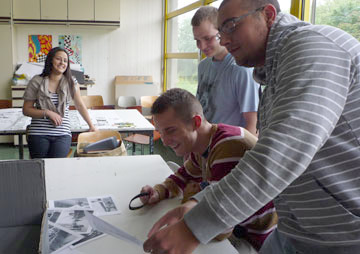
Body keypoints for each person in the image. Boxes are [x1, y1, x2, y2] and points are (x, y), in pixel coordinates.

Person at [143, 0, 360, 254]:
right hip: (296, 231)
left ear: (268, 15)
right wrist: (199, 205)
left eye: (231, 26)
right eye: (221, 32)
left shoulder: (314, 46)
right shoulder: (275, 72)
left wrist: (195, 225)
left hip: (343, 238)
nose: (223, 40)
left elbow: (284, 150)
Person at [140, 88, 277, 252]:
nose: (165, 142)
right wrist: (158, 192)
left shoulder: (228, 146)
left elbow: (219, 228)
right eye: (160, 133)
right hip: (237, 229)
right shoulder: (203, 145)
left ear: (196, 122)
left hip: (254, 240)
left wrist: (190, 198)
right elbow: (182, 177)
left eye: (170, 130)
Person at [192, 6, 259, 136]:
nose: (202, 46)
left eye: (207, 38)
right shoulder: (203, 66)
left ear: (222, 32)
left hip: (229, 147)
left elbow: (253, 123)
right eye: (197, 41)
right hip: (206, 144)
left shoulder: (241, 69)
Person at [23, 47, 96, 158]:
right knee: (39, 168)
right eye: (58, 59)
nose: (62, 63)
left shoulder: (71, 82)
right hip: (38, 133)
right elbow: (26, 109)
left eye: (65, 60)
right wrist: (47, 113)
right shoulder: (37, 81)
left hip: (62, 134)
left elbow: (80, 105)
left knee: (57, 169)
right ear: (51, 60)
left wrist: (91, 125)